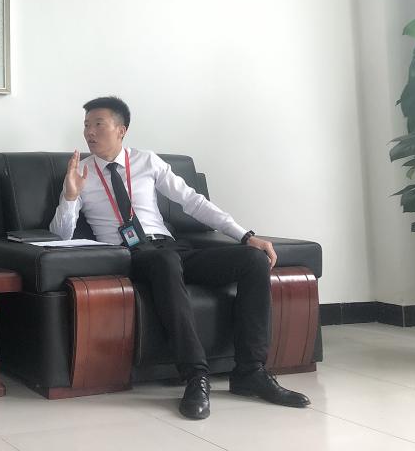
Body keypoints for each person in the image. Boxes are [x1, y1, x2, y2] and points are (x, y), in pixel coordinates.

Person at [49, 96, 310, 420]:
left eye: (98, 124)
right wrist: (70, 196)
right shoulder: (81, 172)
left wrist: (245, 235)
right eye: (86, 125)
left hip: (171, 248)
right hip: (129, 256)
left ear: (121, 129)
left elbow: (192, 201)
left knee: (253, 260)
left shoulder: (147, 161)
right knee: (165, 262)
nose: (89, 132)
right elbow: (61, 235)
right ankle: (195, 375)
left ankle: (250, 372)